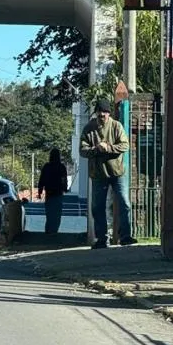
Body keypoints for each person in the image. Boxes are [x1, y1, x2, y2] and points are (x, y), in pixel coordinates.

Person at [80, 98, 136, 249]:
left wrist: (108, 147)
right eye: (100, 112)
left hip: (117, 172)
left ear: (109, 113)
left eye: (105, 112)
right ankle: (101, 238)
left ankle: (125, 236)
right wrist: (96, 149)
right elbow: (82, 150)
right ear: (96, 113)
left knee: (124, 203)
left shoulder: (116, 126)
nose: (102, 115)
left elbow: (125, 145)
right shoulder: (88, 129)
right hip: (98, 174)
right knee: (97, 207)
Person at [37, 148, 68, 234]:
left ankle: (48, 232)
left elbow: (41, 180)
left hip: (49, 194)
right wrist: (65, 188)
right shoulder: (61, 167)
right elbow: (64, 180)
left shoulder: (47, 167)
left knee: (49, 215)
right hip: (58, 194)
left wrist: (40, 191)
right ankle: (54, 231)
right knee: (57, 215)